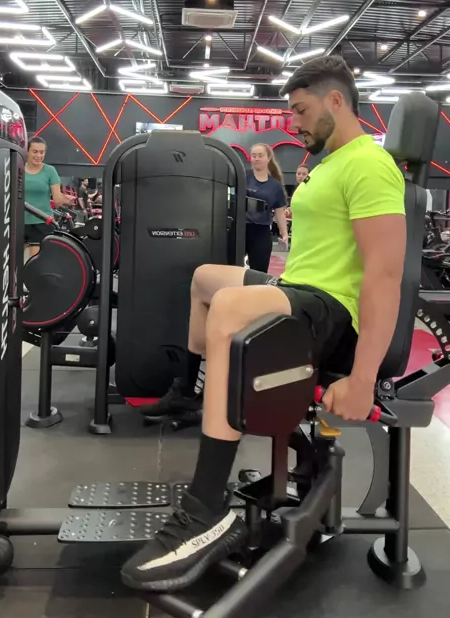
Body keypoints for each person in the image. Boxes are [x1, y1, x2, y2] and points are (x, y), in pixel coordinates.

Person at [124, 56, 406, 593]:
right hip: (299, 289)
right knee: (206, 279)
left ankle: (205, 512)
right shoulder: (329, 163)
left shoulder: (370, 164)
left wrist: (363, 378)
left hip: (332, 312)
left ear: (336, 100)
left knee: (230, 305)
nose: (293, 123)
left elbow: (385, 273)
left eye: (300, 110)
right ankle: (192, 391)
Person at [24, 137, 74, 257]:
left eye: (42, 152)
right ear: (27, 151)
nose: (38, 155)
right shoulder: (18, 168)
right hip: (19, 222)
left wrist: (65, 200)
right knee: (12, 263)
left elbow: (57, 200)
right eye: (35, 151)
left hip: (42, 222)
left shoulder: (50, 171)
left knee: (35, 262)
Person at [245, 144, 288, 272]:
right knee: (232, 269)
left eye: (260, 155)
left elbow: (279, 212)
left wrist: (284, 233)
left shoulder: (275, 186)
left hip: (261, 232)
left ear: (268, 158)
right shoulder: (242, 177)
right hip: (240, 229)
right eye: (254, 156)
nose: (256, 158)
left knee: (259, 271)